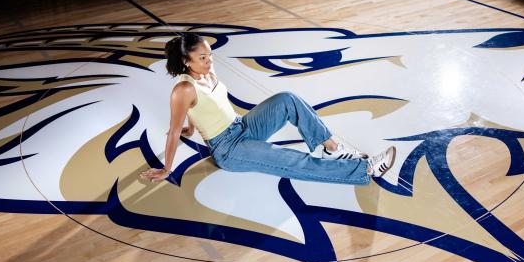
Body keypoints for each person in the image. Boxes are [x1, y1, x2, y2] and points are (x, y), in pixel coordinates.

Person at [139, 33, 396, 184]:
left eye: (209, 55)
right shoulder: (182, 90)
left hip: (242, 125)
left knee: (287, 98)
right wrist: (167, 168)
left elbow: (203, 106)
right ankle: (368, 170)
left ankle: (332, 148)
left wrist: (192, 126)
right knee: (291, 159)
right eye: (202, 58)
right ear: (186, 61)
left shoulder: (207, 71)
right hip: (228, 149)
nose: (209, 61)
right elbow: (173, 131)